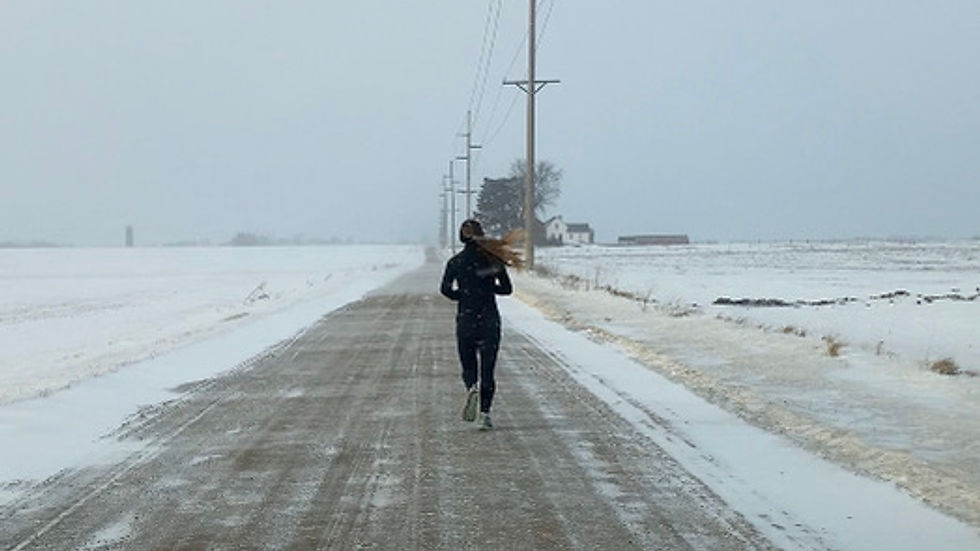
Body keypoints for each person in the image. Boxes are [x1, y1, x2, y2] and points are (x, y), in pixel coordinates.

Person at [440, 219, 513, 430]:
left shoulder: (455, 262)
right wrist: (488, 289)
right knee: (488, 370)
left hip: (466, 318)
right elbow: (507, 289)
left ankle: (471, 387)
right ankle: (484, 414)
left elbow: (445, 289)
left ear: (462, 237)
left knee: (468, 365)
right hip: (489, 318)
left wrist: (462, 294)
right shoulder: (492, 260)